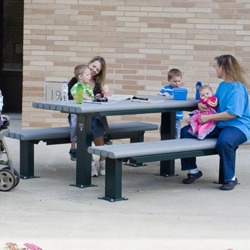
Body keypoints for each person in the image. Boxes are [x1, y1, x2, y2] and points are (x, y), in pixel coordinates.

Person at [180, 54, 250, 191]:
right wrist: (201, 107)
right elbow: (214, 103)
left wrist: (208, 118)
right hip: (221, 125)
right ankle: (193, 170)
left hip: (238, 126)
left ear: (223, 67)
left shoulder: (237, 88)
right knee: (185, 131)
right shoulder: (223, 85)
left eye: (216, 66)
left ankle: (230, 178)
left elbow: (232, 113)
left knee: (225, 142)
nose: (215, 68)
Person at [68, 56, 110, 177]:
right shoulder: (76, 80)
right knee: (86, 125)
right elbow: (70, 98)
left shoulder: (97, 83)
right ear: (89, 63)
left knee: (95, 123)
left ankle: (103, 161)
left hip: (95, 116)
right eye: (94, 66)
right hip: (79, 115)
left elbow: (98, 98)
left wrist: (103, 95)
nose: (94, 70)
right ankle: (90, 163)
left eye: (98, 69)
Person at [158, 68, 183, 139]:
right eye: (174, 81)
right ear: (169, 80)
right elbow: (158, 95)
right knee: (164, 134)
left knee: (176, 135)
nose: (177, 83)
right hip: (166, 117)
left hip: (177, 117)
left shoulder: (181, 90)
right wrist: (163, 95)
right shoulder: (166, 88)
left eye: (179, 81)